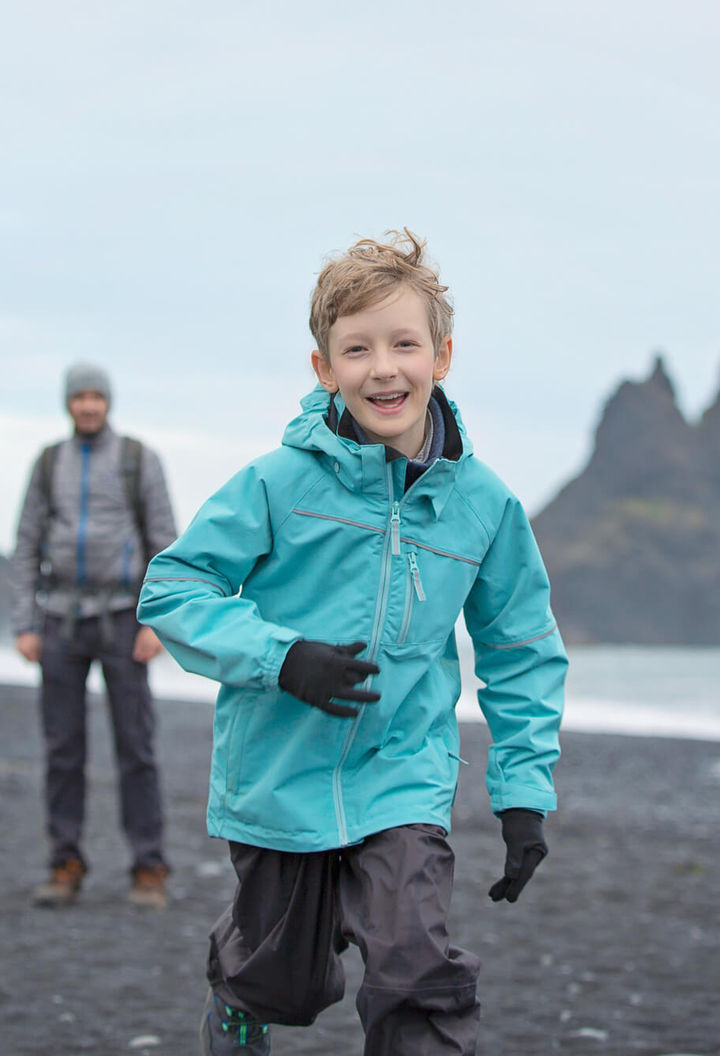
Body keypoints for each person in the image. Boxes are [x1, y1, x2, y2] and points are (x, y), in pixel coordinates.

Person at [138, 230, 567, 1054]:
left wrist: (523, 792)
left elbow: (520, 648)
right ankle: (237, 1009)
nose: (384, 368)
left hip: (403, 775)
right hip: (277, 777)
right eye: (358, 349)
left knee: (417, 970)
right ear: (323, 368)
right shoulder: (277, 482)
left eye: (404, 344)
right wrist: (281, 657)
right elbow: (173, 590)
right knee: (280, 983)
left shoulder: (484, 505)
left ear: (442, 356)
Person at [11, 363, 177, 909]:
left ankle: (148, 868)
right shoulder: (48, 461)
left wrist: (157, 621)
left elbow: (163, 541)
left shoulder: (137, 459)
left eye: (95, 396)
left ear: (108, 402)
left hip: (124, 617)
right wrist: (24, 623)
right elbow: (27, 540)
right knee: (62, 749)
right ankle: (65, 864)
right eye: (79, 397)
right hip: (59, 620)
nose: (88, 405)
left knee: (136, 748)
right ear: (67, 403)